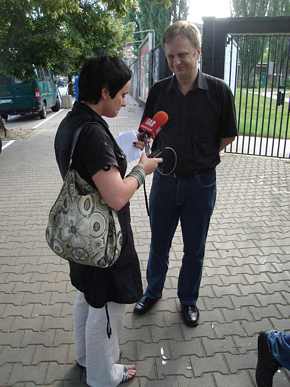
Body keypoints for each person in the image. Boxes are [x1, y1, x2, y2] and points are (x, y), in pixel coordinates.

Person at [54, 56, 161, 387]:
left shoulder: (73, 122)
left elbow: (93, 172)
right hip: (104, 240)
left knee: (88, 297)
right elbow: (115, 195)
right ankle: (104, 375)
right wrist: (142, 171)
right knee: (106, 308)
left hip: (81, 234)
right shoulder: (93, 134)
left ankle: (87, 359)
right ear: (103, 91)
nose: (125, 101)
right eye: (122, 95)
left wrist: (127, 150)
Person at [133, 20, 237, 327]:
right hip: (165, 182)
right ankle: (152, 292)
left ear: (198, 52)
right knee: (158, 244)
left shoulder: (219, 91)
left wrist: (203, 155)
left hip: (201, 184)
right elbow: (147, 130)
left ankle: (188, 299)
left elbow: (228, 134)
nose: (176, 62)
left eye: (183, 55)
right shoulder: (159, 92)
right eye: (170, 57)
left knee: (195, 248)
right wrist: (143, 142)